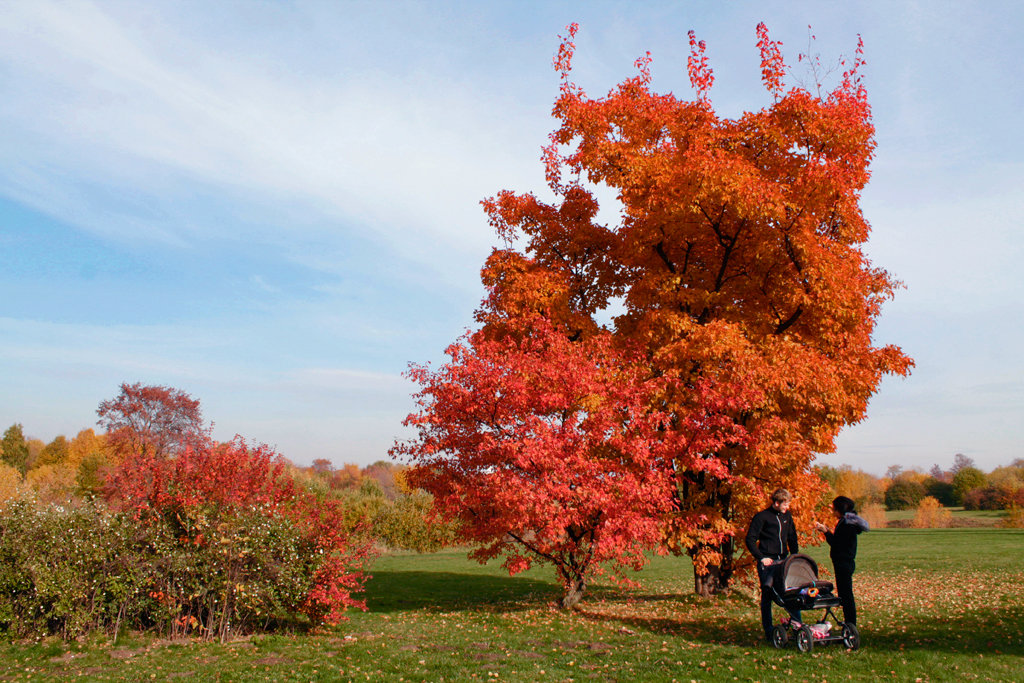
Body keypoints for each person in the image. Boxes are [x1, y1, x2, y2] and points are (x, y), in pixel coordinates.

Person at [746, 488, 801, 643]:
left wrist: (794, 556)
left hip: (784, 561)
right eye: (785, 504)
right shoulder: (762, 517)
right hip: (768, 563)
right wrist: (761, 557)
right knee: (768, 596)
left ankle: (797, 626)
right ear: (777, 503)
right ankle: (769, 632)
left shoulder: (787, 516)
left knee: (791, 593)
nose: (787, 507)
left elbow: (792, 537)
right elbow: (750, 539)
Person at [814, 495, 869, 625]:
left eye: (834, 510)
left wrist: (826, 531)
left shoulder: (846, 524)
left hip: (843, 563)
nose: (833, 512)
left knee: (846, 596)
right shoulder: (849, 522)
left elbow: (837, 543)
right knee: (846, 594)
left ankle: (850, 623)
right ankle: (850, 622)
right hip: (846, 562)